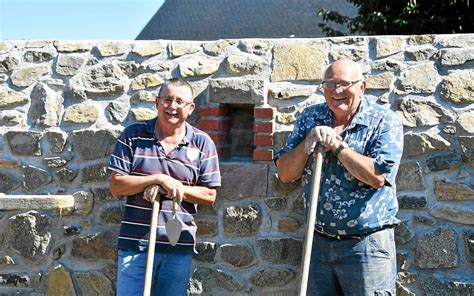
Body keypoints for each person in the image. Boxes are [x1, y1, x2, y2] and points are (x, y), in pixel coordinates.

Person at [275, 59, 403, 295]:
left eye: (345, 84)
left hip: (366, 245)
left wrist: (338, 146)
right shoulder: (311, 117)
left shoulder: (383, 121)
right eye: (330, 84)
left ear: (362, 87)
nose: (337, 91)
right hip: (319, 243)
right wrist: (307, 143)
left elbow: (376, 177)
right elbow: (285, 174)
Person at [108, 78, 221, 296]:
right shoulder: (134, 135)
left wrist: (173, 187)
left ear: (190, 108)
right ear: (157, 102)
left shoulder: (202, 143)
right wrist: (156, 179)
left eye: (180, 101)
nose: (172, 106)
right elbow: (116, 185)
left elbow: (209, 194)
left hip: (177, 246)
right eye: (167, 99)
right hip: (135, 246)